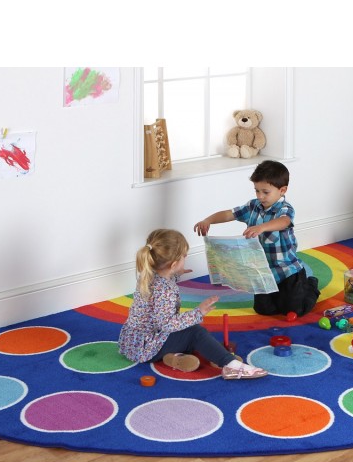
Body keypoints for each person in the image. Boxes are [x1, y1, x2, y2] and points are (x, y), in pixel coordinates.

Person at [118, 229, 268, 380]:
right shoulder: (164, 291)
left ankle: (174, 358)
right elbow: (167, 325)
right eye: (184, 256)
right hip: (148, 349)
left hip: (134, 343)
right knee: (196, 332)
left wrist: (175, 273)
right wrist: (198, 312)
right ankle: (230, 364)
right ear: (173, 264)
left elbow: (161, 290)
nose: (185, 258)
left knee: (189, 331)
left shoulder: (148, 274)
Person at [193, 160, 319, 317]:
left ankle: (311, 284)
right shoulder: (252, 206)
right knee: (264, 310)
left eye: (265, 192)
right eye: (257, 191)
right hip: (264, 272)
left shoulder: (285, 209)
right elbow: (228, 214)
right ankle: (281, 295)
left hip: (288, 270)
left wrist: (262, 227)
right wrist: (208, 220)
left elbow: (284, 221)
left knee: (295, 309)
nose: (260, 196)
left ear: (282, 190)